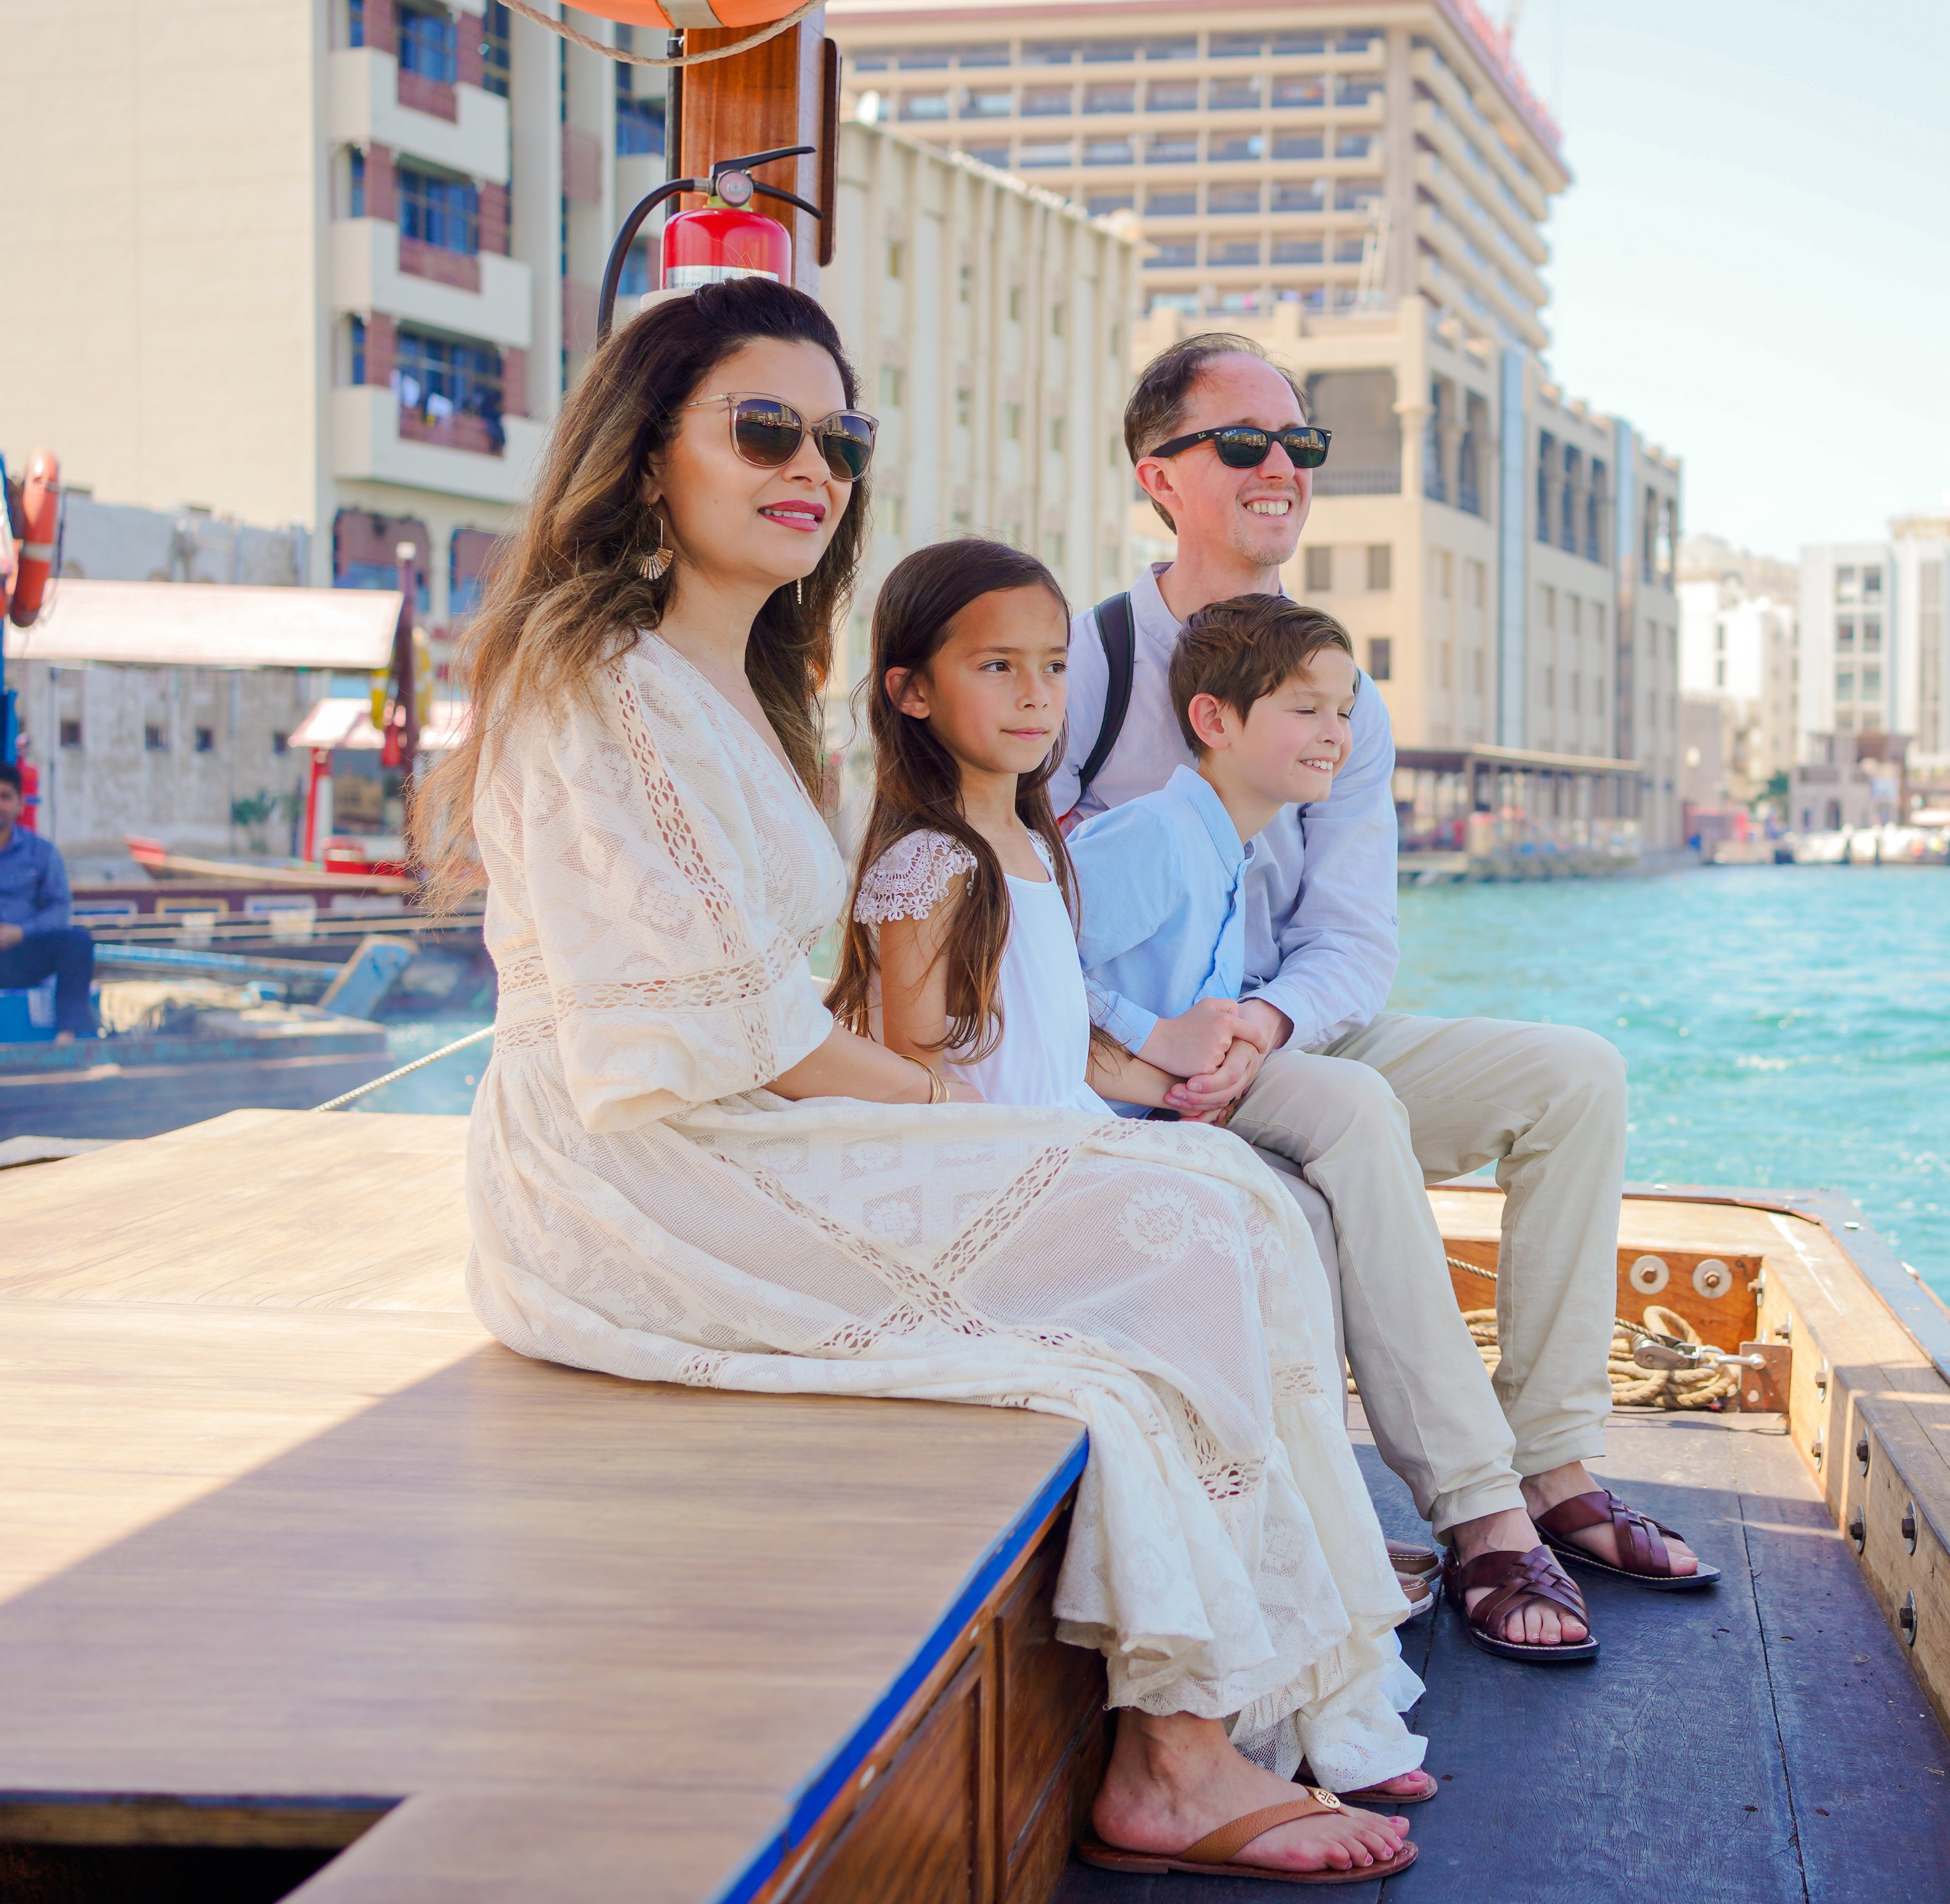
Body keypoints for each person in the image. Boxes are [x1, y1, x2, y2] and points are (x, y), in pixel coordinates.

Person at [421, 281, 1416, 1884]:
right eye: (763, 429)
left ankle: (1256, 1696)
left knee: (1217, 1194)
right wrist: (969, 1117)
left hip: (752, 1119)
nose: (810, 462)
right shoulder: (597, 679)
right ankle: (1171, 1754)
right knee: (1180, 1219)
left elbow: (791, 1014)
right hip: (636, 1174)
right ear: (645, 451)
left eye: (838, 435)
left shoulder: (736, 688)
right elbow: (716, 1034)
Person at [1050, 334, 1716, 1666]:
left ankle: (1553, 1468)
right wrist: (1165, 1040)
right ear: (1157, 477)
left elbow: (1353, 943)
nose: (1280, 468)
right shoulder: (1086, 663)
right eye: (1242, 444)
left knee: (1573, 1072)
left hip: (1282, 1033)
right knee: (1349, 1105)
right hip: (1136, 1062)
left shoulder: (1345, 696)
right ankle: (1478, 1520)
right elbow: (1017, 901)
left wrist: (1266, 1024)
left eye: (1299, 445)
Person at [0, 778, 98, 1041]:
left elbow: (59, 908)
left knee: (77, 943)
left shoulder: (41, 853)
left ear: (21, 804)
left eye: (6, 797)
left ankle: (67, 1036)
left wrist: (20, 932)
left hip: (21, 954)